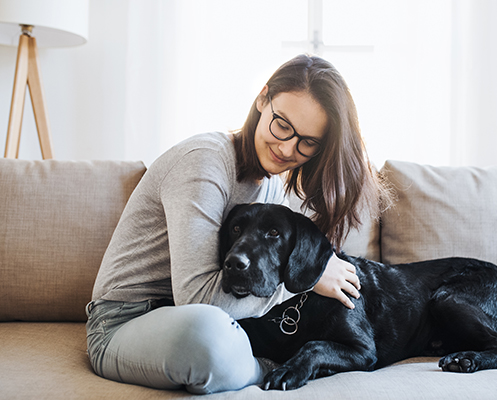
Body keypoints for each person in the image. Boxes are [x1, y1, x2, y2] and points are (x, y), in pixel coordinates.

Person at [86, 54, 389, 394]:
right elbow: (197, 298)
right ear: (263, 99)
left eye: (306, 142)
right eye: (282, 125)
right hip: (125, 322)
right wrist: (308, 281)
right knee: (208, 336)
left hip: (201, 318)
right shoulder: (204, 162)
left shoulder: (270, 182)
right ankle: (260, 368)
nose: (287, 148)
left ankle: (260, 364)